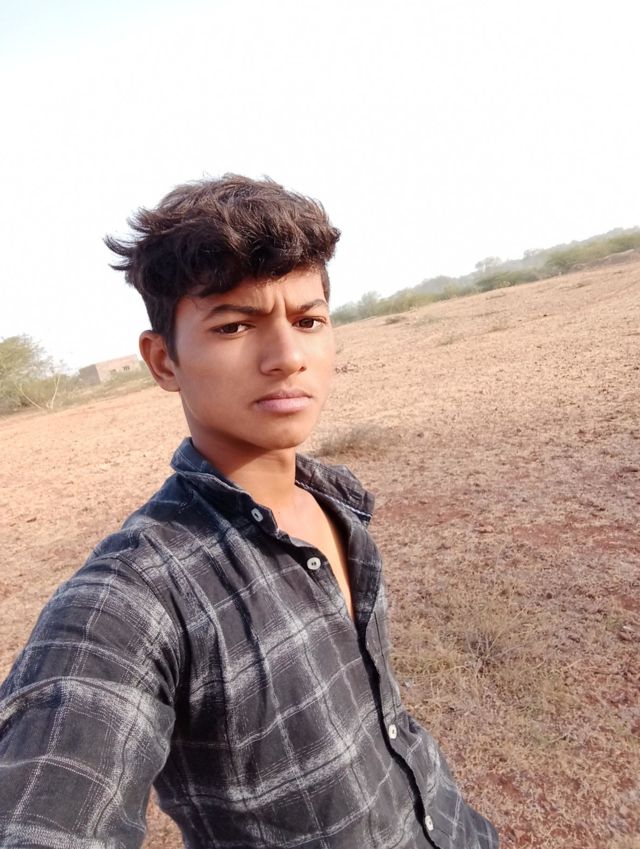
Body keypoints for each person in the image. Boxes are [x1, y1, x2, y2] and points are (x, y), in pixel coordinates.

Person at [0, 175, 498, 849]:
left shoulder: (337, 506)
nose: (288, 357)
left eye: (308, 321)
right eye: (234, 326)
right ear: (163, 361)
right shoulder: (133, 598)